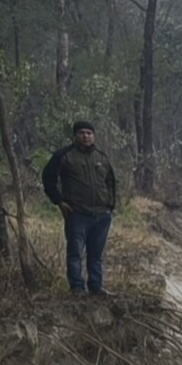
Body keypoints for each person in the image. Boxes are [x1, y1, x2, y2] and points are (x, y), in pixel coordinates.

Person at [41, 120, 119, 294]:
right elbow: (48, 179)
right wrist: (59, 201)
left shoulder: (102, 157)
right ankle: (77, 288)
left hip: (101, 215)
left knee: (96, 255)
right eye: (82, 133)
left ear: (94, 135)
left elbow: (111, 182)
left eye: (89, 133)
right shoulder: (64, 156)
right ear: (75, 135)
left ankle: (96, 287)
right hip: (77, 214)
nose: (86, 136)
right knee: (75, 253)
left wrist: (110, 206)